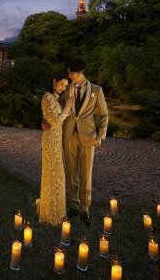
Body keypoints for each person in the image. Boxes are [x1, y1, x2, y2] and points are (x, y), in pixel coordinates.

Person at [43, 58, 109, 226]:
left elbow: (104, 115)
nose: (70, 76)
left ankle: (84, 209)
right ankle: (73, 206)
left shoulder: (96, 90)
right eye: (69, 73)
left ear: (81, 73)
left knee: (86, 174)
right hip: (69, 136)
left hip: (88, 137)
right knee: (71, 173)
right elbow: (53, 109)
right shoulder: (66, 89)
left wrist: (100, 136)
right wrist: (44, 123)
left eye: (72, 73)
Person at [37, 71, 74, 225]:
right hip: (51, 141)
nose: (63, 88)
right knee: (55, 173)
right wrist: (67, 108)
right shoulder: (47, 97)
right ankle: (51, 212)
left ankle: (53, 208)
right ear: (54, 81)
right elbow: (56, 122)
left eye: (65, 86)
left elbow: (49, 118)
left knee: (55, 174)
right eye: (61, 84)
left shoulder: (53, 98)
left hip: (55, 140)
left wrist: (44, 121)